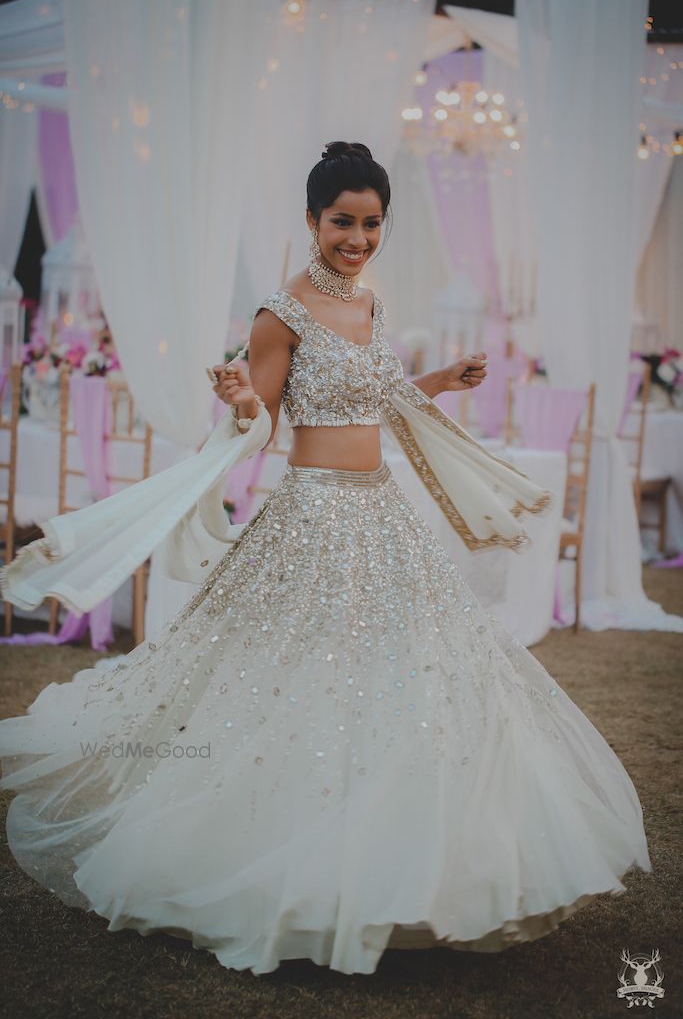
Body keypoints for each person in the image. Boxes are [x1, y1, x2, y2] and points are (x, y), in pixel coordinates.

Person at [0, 141, 651, 978]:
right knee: (290, 683)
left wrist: (441, 380)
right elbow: (262, 422)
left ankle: (405, 871)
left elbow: (374, 398)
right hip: (309, 516)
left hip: (380, 512)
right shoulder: (281, 313)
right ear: (311, 220)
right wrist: (241, 401)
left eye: (372, 222)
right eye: (342, 220)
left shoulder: (374, 306)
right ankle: (277, 866)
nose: (357, 236)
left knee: (410, 678)